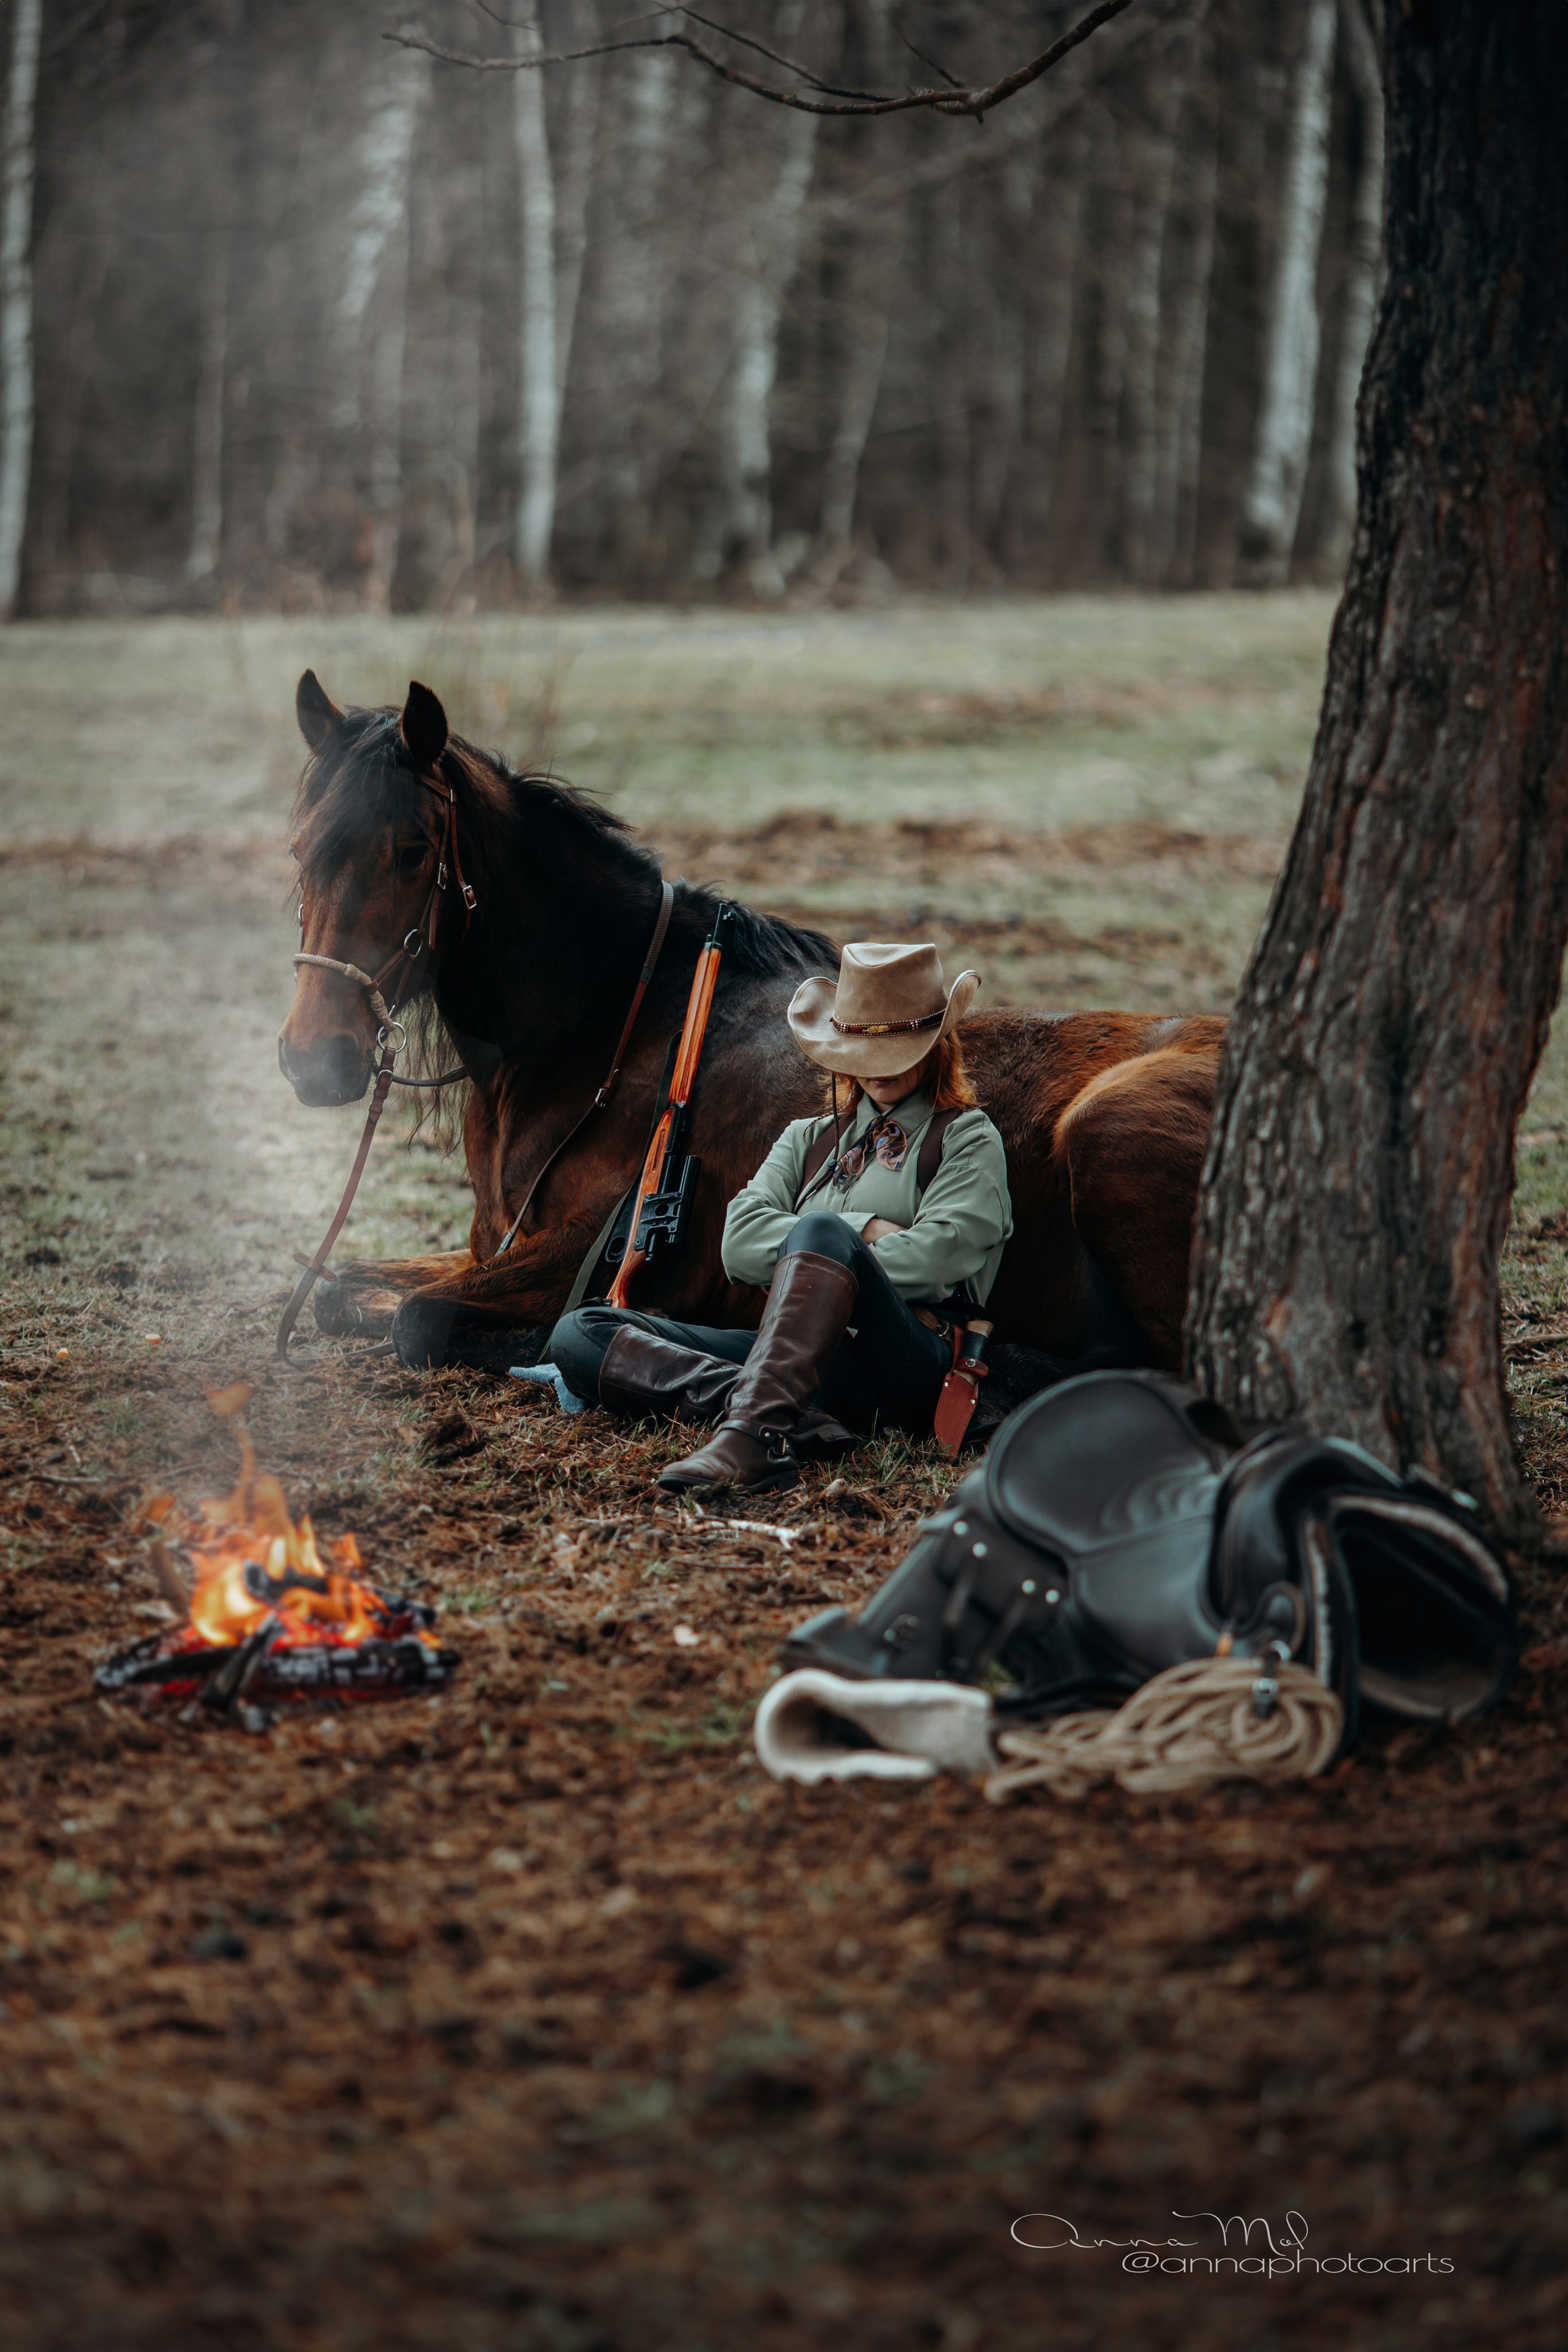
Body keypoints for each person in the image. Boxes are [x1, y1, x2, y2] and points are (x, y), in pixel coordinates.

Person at [546, 941, 1013, 1496]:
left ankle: (752, 1439)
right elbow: (737, 1245)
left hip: (907, 1360)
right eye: (863, 1046)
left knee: (820, 1231)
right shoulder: (807, 1138)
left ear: (938, 1045)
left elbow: (940, 1259)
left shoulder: (967, 1138)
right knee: (581, 1332)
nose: (879, 1068)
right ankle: (787, 1415)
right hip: (794, 1361)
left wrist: (835, 1248)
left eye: (899, 1047)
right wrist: (863, 1234)